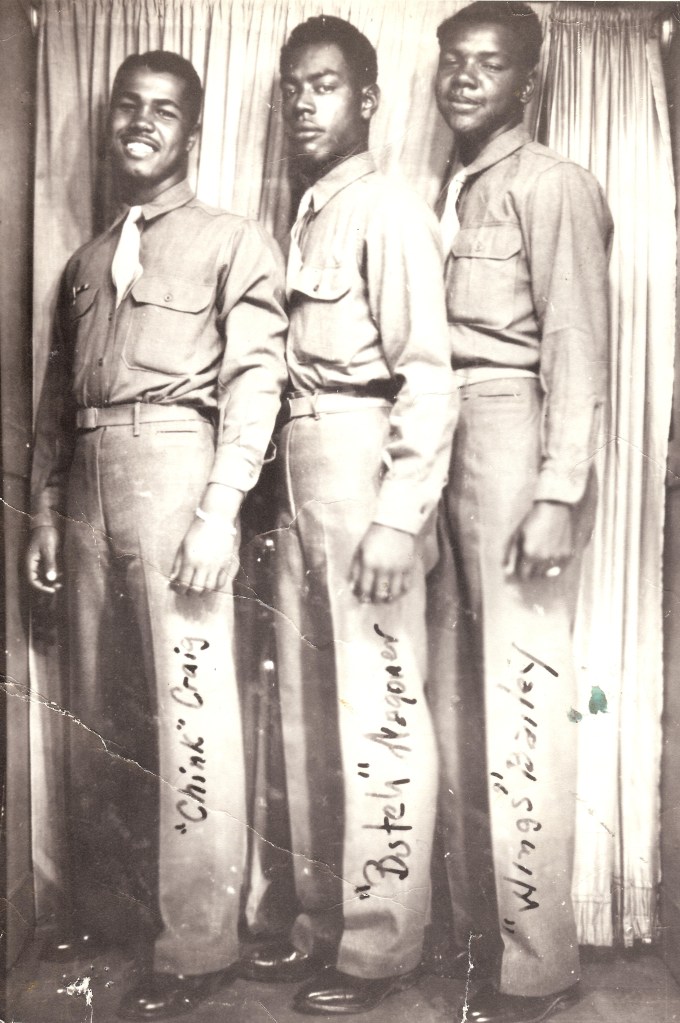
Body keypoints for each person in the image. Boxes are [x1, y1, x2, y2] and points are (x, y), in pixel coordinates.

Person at [26, 50, 287, 1021]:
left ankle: (198, 944)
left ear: (192, 132)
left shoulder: (232, 240)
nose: (141, 122)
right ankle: (111, 917)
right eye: (128, 106)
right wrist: (44, 513)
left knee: (191, 712)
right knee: (100, 713)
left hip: (178, 467)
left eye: (164, 111)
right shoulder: (84, 264)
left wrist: (219, 508)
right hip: (87, 486)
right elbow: (56, 403)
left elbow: (255, 383)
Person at [237, 14, 457, 1016]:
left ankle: (379, 949)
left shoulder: (388, 210)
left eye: (322, 85)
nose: (301, 102)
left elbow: (427, 376)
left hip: (365, 468)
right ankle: (321, 926)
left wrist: (397, 516)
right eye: (291, 87)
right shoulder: (309, 214)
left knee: (378, 715)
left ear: (367, 100)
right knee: (307, 717)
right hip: (301, 471)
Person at [427, 4, 614, 1022]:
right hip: (433, 439)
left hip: (509, 439)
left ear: (526, 83)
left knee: (523, 701)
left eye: (487, 64)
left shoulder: (552, 184)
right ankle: (474, 940)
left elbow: (576, 344)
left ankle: (536, 965)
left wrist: (555, 491)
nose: (462, 79)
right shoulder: (442, 191)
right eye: (451, 62)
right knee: (454, 701)